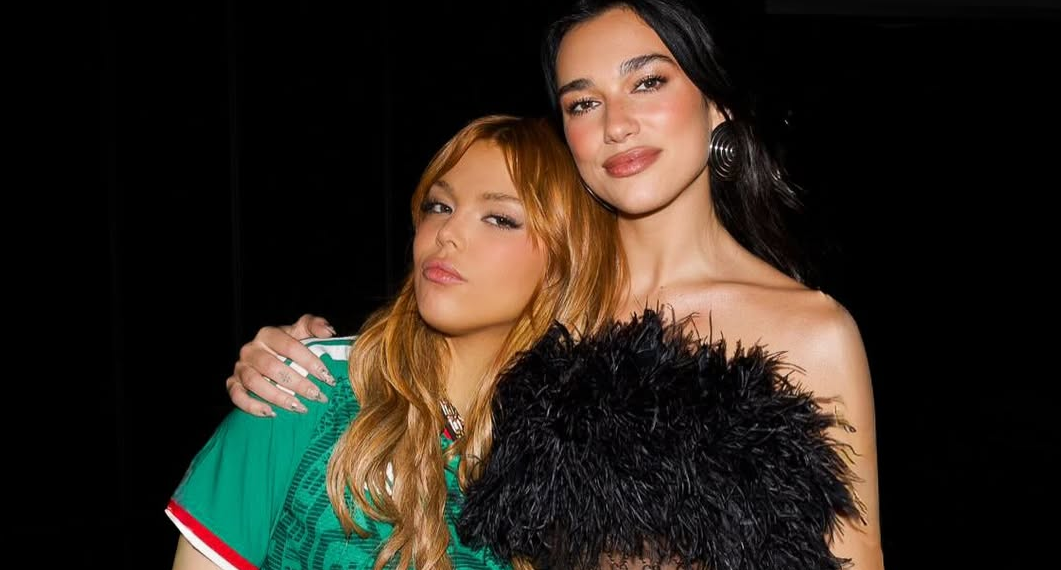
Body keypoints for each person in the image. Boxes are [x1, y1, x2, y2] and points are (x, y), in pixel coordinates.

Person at [223, 0, 883, 567]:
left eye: (647, 83)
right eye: (583, 102)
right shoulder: (542, 304)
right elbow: (406, 375)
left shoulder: (811, 331)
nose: (615, 124)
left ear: (718, 104)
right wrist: (291, 359)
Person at [166, 114, 623, 570]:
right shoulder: (305, 386)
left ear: (568, 261)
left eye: (499, 219)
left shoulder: (577, 466)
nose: (448, 233)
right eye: (439, 206)